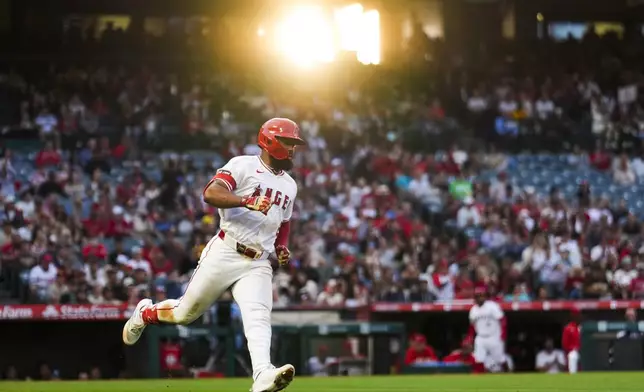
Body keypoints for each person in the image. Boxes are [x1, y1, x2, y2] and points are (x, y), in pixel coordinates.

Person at [122, 118, 306, 392]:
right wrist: (246, 200)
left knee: (258, 315)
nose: (292, 149)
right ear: (270, 141)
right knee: (185, 313)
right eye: (288, 142)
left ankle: (263, 374)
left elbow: (285, 220)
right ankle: (146, 313)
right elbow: (210, 193)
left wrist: (281, 245)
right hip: (227, 249)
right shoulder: (242, 165)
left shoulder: (290, 184)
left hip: (258, 261)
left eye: (294, 144)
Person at [468, 285, 507, 373]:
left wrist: (503, 333)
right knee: (478, 359)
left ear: (485, 296)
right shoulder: (473, 310)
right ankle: (480, 378)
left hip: (494, 335)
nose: (480, 298)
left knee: (500, 359)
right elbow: (471, 326)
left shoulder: (492, 306)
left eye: (482, 295)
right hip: (480, 337)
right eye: (478, 296)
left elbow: (502, 319)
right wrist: (470, 337)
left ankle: (508, 373)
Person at [562, 309, 581, 374]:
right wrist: (574, 348)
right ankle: (573, 375)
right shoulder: (568, 328)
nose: (579, 316)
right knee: (572, 355)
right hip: (575, 351)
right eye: (577, 315)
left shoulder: (585, 326)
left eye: (580, 314)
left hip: (585, 351)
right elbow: (565, 344)